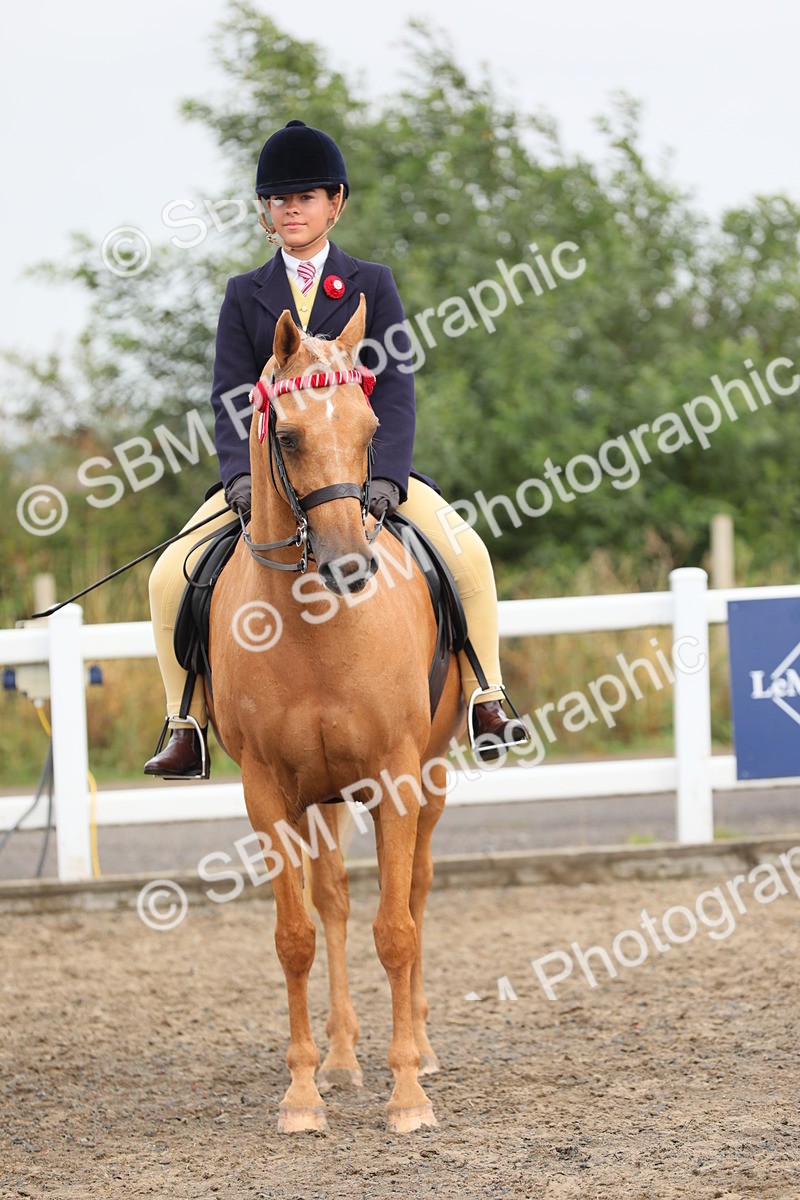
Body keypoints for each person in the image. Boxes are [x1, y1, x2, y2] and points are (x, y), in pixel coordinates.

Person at [144, 119, 528, 779]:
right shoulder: (245, 295)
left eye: (306, 196)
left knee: (467, 553)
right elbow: (230, 397)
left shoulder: (371, 285)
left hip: (363, 477)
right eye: (279, 199)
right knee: (167, 576)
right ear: (266, 210)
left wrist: (387, 481)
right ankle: (185, 721)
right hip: (268, 482)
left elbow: (397, 391)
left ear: (335, 203)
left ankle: (488, 695)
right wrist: (238, 478)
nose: (291, 209)